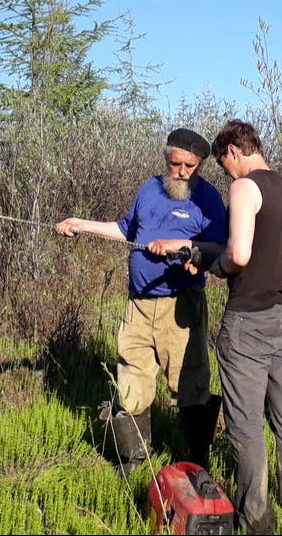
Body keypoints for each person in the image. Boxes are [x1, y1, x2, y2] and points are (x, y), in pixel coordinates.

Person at [54, 128, 227, 476]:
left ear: (200, 165)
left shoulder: (207, 199)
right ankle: (133, 461)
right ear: (166, 157)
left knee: (189, 383)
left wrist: (180, 246)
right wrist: (81, 224)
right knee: (131, 380)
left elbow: (221, 249)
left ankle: (196, 463)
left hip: (181, 307)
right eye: (175, 162)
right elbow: (125, 229)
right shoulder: (149, 189)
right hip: (138, 304)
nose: (181, 171)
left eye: (189, 166)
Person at [202, 119, 282, 534]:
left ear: (233, 151)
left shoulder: (243, 187)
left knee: (244, 422)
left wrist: (216, 265)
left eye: (223, 163)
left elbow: (241, 254)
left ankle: (257, 521)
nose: (225, 172)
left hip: (249, 321)